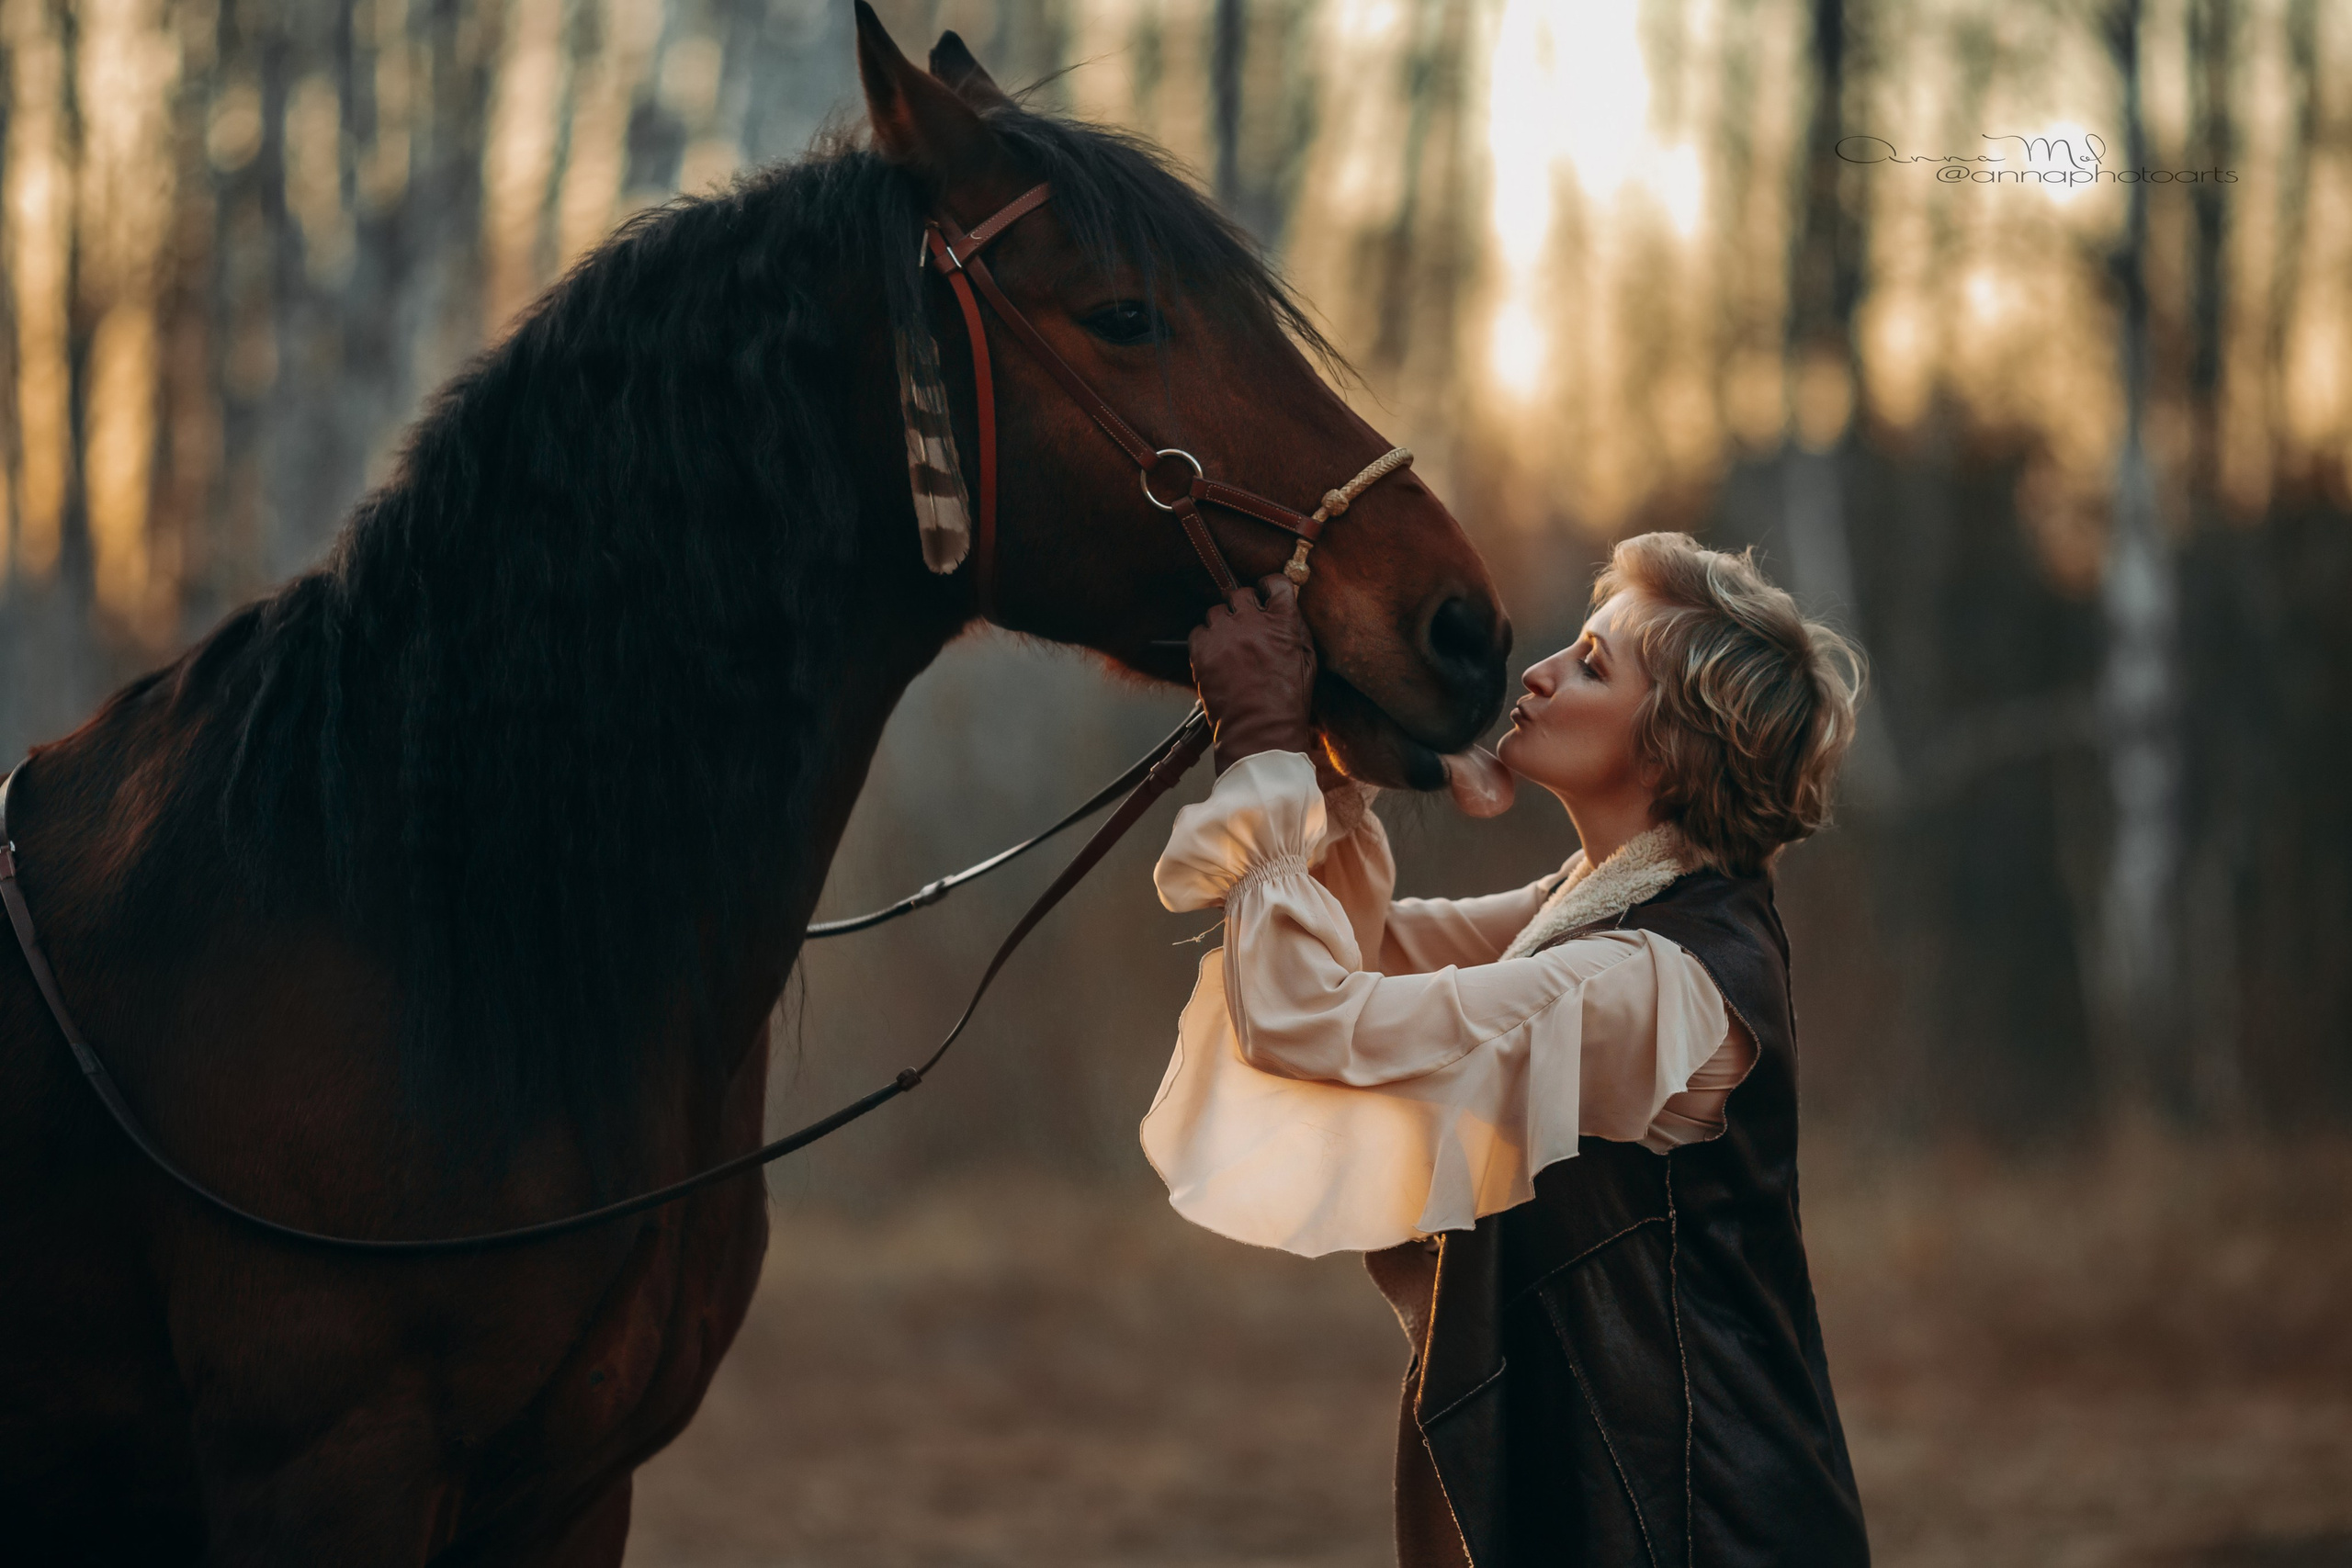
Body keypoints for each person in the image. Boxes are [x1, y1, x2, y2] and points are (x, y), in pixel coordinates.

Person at [1145, 531, 1871, 1566]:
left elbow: (1312, 1017)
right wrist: (1332, 754)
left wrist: (1262, 747)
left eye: (1589, 663)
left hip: (1696, 1530)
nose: (1537, 672)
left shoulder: (1646, 986)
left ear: (1670, 745)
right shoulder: (1600, 909)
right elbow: (1368, 953)